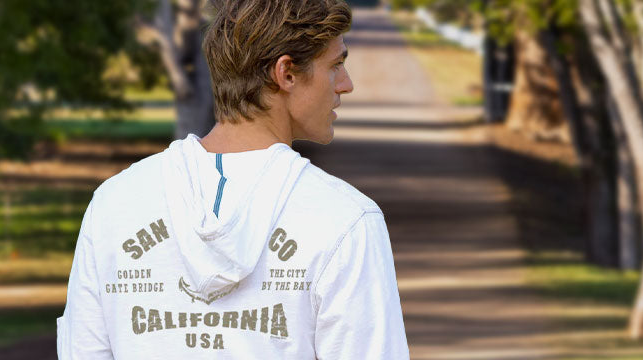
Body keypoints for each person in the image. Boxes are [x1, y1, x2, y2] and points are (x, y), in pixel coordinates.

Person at [57, 0, 408, 358]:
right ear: (286, 73)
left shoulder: (115, 204)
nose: (346, 85)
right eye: (335, 66)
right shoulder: (346, 220)